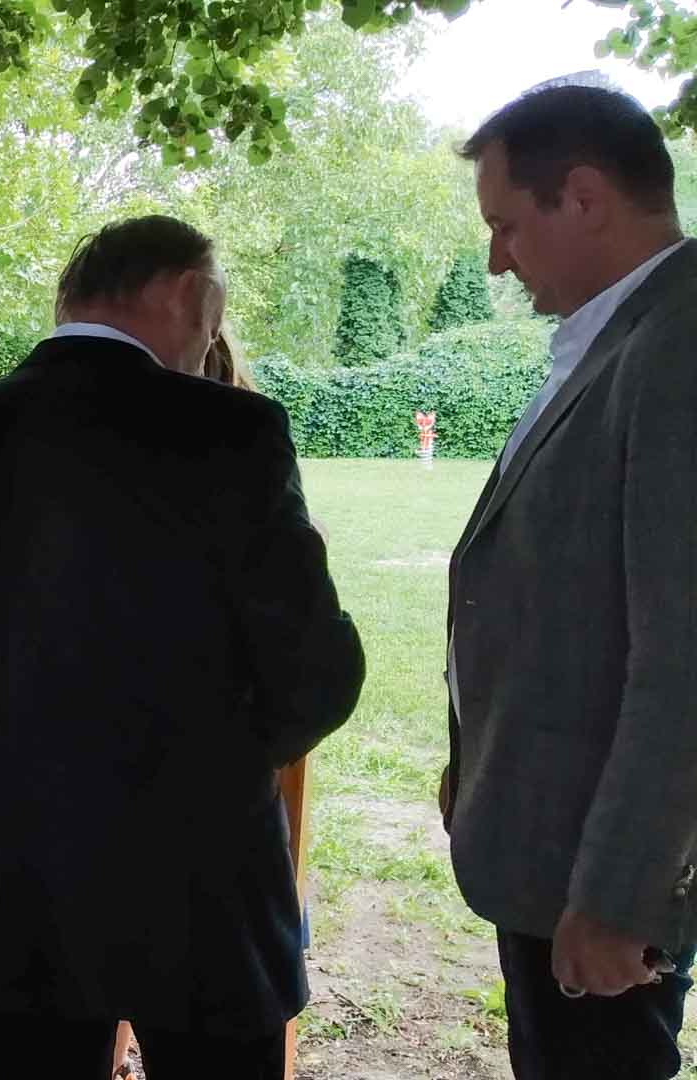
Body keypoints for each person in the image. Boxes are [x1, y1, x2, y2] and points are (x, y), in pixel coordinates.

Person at [0, 215, 365, 1078]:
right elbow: (317, 671)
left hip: (7, 851)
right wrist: (216, 759)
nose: (213, 339)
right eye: (214, 314)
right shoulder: (232, 432)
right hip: (195, 869)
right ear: (185, 290)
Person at [441, 83, 697, 1080]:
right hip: (556, 844)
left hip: (599, 877)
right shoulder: (627, 336)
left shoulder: (678, 349)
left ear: (584, 197)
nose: (497, 260)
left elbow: (685, 654)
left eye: (507, 225)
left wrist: (623, 893)